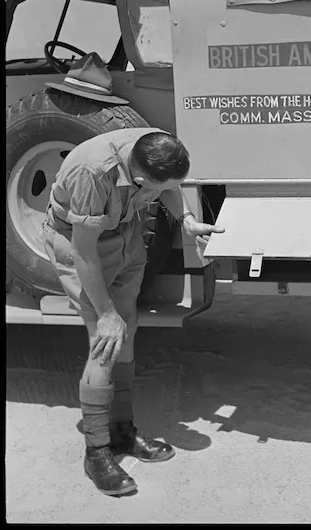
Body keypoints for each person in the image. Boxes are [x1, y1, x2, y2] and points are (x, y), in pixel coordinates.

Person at [42, 124, 224, 496]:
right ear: (138, 176)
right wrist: (105, 313)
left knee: (128, 331)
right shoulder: (91, 172)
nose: (161, 195)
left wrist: (186, 220)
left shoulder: (156, 147)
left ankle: (122, 432)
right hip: (82, 247)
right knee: (104, 341)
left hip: (126, 237)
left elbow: (169, 187)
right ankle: (96, 452)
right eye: (153, 189)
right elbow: (83, 250)